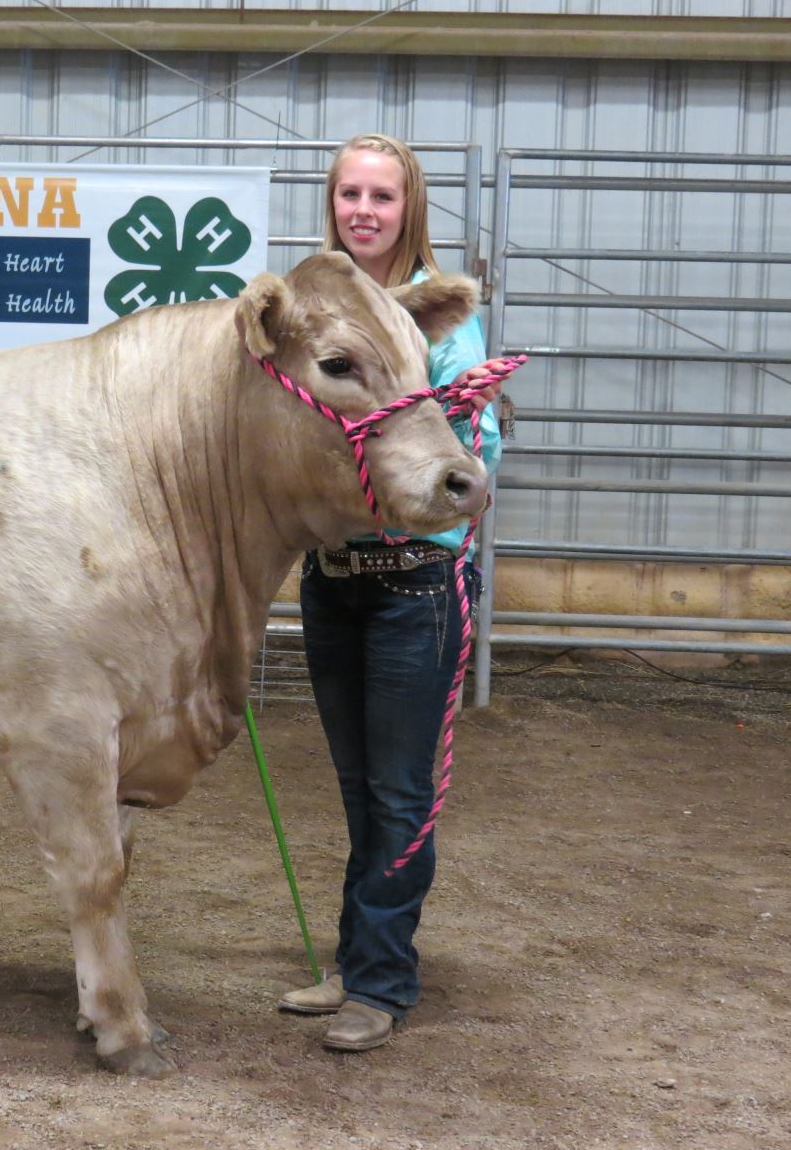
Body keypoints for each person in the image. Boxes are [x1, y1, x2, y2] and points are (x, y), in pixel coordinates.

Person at [278, 133, 507, 1051]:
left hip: (416, 581)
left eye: (381, 195)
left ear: (409, 207)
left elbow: (468, 461)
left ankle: (381, 980)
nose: (363, 211)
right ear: (330, 204)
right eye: (348, 195)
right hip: (333, 578)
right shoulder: (311, 318)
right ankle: (362, 958)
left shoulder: (440, 324)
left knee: (401, 792)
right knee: (358, 786)